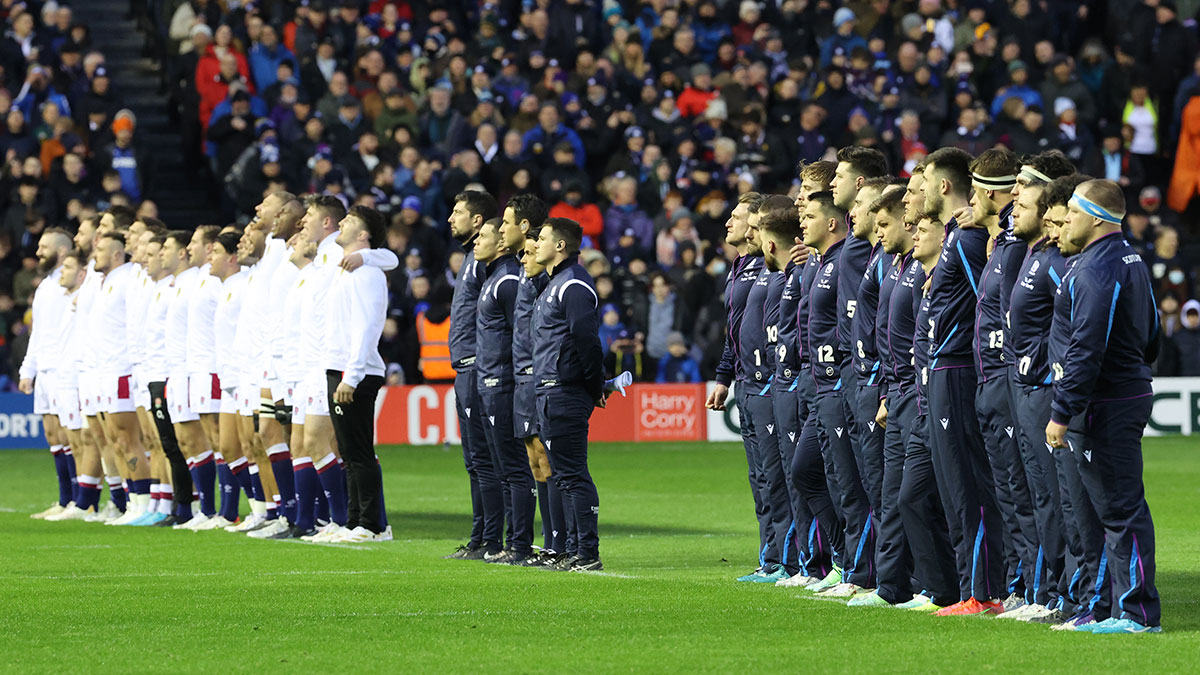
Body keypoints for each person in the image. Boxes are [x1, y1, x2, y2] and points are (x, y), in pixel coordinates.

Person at [1046, 179, 1161, 634]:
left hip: (1105, 401)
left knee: (1120, 509)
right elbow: (1151, 328)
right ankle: (1114, 608)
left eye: (1072, 211)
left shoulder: (1095, 268)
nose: (1065, 219)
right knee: (1111, 508)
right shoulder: (1129, 257)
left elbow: (1085, 348)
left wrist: (1061, 411)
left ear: (1095, 217)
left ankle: (1135, 615)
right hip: (1122, 391)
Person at [921, 147, 1005, 616]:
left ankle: (986, 590)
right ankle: (971, 587)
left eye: (925, 182)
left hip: (960, 371)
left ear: (944, 186)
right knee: (955, 487)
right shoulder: (958, 236)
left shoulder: (968, 241)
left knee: (970, 485)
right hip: (942, 369)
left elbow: (987, 305)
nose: (922, 192)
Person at [1002, 154, 1085, 625]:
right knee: (1039, 497)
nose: (1015, 194)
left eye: (1024, 186)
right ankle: (1051, 590)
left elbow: (1076, 329)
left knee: (1062, 498)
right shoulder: (1031, 253)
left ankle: (1069, 595)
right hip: (1022, 387)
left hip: (1047, 393)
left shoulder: (1058, 261)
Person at [959, 148, 1039, 616]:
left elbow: (1016, 320)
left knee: (1026, 491)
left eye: (976, 188)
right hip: (992, 380)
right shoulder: (998, 242)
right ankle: (1023, 586)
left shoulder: (1012, 248)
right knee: (1010, 489)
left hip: (1010, 378)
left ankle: (1040, 590)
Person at [703, 193, 775, 582]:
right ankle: (771, 558)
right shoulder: (738, 266)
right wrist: (722, 378)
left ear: (756, 224)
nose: (727, 222)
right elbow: (736, 333)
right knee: (760, 478)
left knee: (776, 477)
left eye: (736, 216)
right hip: (744, 383)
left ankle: (789, 560)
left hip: (769, 383)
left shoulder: (772, 264)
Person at [531, 217, 606, 572]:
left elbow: (587, 341)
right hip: (550, 390)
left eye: (542, 238)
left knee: (573, 473)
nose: (536, 243)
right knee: (562, 473)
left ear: (560, 245)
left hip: (564, 390)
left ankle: (587, 552)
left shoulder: (573, 285)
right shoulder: (554, 284)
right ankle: (575, 550)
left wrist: (593, 386)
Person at [500, 193, 566, 564]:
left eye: (529, 252)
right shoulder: (527, 283)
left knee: (548, 458)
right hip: (523, 379)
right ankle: (552, 540)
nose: (524, 259)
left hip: (540, 380)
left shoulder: (549, 287)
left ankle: (560, 540)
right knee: (535, 461)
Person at [443, 190, 503, 560]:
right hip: (465, 368)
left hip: (479, 369)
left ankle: (494, 539)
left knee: (487, 458)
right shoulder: (470, 258)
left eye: (458, 211)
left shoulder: (485, 263)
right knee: (475, 460)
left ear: (478, 220)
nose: (451, 218)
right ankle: (481, 536)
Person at [473, 216, 537, 564]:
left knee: (514, 467)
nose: (476, 242)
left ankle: (520, 544)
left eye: (483, 236)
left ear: (500, 243)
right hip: (489, 381)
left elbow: (521, 333)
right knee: (502, 467)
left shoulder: (508, 279)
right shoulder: (493, 278)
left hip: (503, 383)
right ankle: (510, 543)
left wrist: (516, 379)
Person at [326, 206, 391, 543]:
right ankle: (354, 521)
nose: (341, 223)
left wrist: (352, 376)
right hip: (340, 366)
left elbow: (368, 326)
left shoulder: (366, 272)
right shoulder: (347, 268)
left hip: (357, 371)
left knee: (360, 449)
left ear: (364, 235)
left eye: (349, 221)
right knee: (348, 451)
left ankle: (371, 525)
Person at [20, 229, 75, 519]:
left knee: (70, 436)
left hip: (65, 370)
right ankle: (65, 499)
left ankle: (82, 499)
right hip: (45, 371)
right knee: (53, 434)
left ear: (63, 251)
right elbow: (37, 334)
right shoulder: (44, 286)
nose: (38, 251)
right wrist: (28, 369)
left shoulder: (76, 283)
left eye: (44, 247)